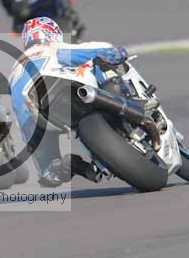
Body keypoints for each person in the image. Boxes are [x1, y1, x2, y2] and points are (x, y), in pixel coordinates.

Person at [9, 17, 129, 187]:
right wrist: (115, 53)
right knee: (102, 63)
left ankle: (68, 166)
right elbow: (95, 51)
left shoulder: (14, 69)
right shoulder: (53, 47)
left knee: (49, 175)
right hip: (67, 90)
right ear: (53, 33)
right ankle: (126, 102)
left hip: (34, 115)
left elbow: (17, 106)